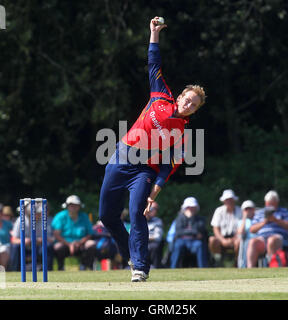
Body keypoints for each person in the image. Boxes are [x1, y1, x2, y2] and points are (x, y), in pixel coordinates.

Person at [99, 17, 206, 282]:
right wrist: (153, 34)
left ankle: (141, 268)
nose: (189, 105)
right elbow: (154, 62)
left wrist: (155, 191)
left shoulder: (181, 135)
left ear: (194, 111)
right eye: (188, 100)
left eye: (194, 106)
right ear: (180, 96)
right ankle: (131, 255)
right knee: (106, 216)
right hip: (121, 156)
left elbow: (169, 166)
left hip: (143, 169)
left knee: (136, 213)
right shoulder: (160, 95)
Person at [247, 190, 288, 268]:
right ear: (265, 203)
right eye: (269, 203)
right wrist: (264, 222)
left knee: (271, 240)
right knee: (252, 242)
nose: (270, 206)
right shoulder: (260, 213)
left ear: (277, 202)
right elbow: (252, 229)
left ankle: (271, 266)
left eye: (272, 203)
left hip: (279, 238)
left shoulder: (284, 211)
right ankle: (249, 269)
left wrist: (276, 220)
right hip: (262, 238)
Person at [52, 195, 96, 270]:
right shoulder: (60, 216)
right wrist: (69, 244)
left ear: (79, 206)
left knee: (91, 244)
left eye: (76, 205)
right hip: (65, 244)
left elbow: (90, 233)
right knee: (58, 247)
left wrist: (79, 242)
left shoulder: (84, 216)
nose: (73, 207)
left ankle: (85, 266)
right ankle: (61, 267)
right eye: (71, 205)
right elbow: (56, 234)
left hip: (81, 244)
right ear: (67, 206)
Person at [10, 200, 54, 271]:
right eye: (37, 213)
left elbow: (50, 239)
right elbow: (13, 239)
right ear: (29, 213)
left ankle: (48, 270)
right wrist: (23, 241)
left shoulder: (44, 221)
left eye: (39, 212)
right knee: (15, 247)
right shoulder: (20, 220)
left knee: (48, 246)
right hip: (25, 247)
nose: (39, 214)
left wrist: (41, 240)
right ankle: (14, 270)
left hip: (39, 246)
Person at [170, 197, 207, 268]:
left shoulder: (200, 219)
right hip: (182, 241)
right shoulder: (179, 218)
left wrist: (191, 219)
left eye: (193, 207)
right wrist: (193, 232)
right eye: (189, 207)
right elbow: (179, 232)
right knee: (178, 245)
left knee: (200, 245)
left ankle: (203, 268)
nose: (191, 209)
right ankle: (173, 268)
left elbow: (200, 231)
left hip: (194, 242)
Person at [209, 189, 242, 266]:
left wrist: (233, 239)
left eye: (231, 199)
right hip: (221, 237)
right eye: (227, 200)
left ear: (234, 200)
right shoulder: (219, 211)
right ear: (224, 201)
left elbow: (241, 228)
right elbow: (215, 228)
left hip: (236, 237)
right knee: (212, 240)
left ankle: (237, 262)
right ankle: (218, 261)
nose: (229, 201)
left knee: (239, 242)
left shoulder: (240, 211)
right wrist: (223, 240)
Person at [237, 200, 257, 268]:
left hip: (257, 240)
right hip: (246, 241)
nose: (248, 211)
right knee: (247, 243)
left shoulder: (257, 219)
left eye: (250, 209)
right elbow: (240, 232)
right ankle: (244, 266)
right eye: (246, 209)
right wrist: (244, 218)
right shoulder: (241, 222)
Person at [146, 201, 164, 268]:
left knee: (155, 246)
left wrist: (145, 238)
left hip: (152, 242)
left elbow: (157, 237)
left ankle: (155, 266)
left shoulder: (157, 221)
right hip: (141, 242)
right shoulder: (138, 221)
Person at [0, 204, 12, 269]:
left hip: (6, 246)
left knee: (3, 251)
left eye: (0, 212)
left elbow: (13, 235)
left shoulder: (8, 223)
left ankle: (2, 271)